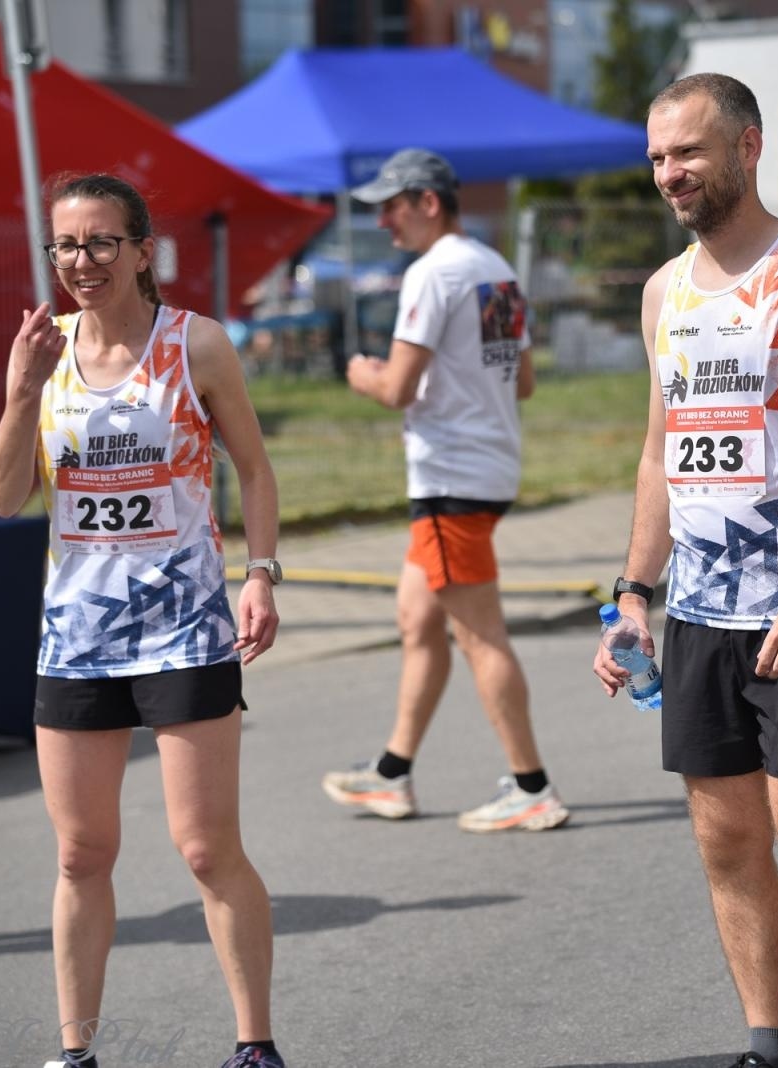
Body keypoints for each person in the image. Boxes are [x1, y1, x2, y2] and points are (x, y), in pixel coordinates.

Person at [593, 74, 778, 1068]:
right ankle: (771, 1044)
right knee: (727, 846)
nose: (668, 173)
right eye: (655, 158)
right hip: (701, 616)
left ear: (746, 145)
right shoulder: (663, 291)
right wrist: (633, 595)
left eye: (685, 151)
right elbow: (659, 453)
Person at [0, 173, 287, 1068]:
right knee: (81, 856)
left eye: (102, 242)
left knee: (204, 849)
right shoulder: (47, 352)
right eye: (66, 246)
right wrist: (18, 391)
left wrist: (260, 576)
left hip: (185, 627)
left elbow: (257, 473)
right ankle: (76, 1053)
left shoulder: (197, 345)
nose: (82, 262)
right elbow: (4, 498)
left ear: (143, 250)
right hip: (76, 640)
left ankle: (254, 1046)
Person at [320, 148, 568, 832]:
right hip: (484, 469)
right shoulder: (495, 269)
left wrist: (364, 373)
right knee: (417, 619)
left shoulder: (432, 275)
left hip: (450, 478)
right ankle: (391, 775)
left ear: (429, 203)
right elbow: (522, 381)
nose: (383, 221)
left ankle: (532, 787)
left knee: (479, 634)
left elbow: (398, 387)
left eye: (391, 207)